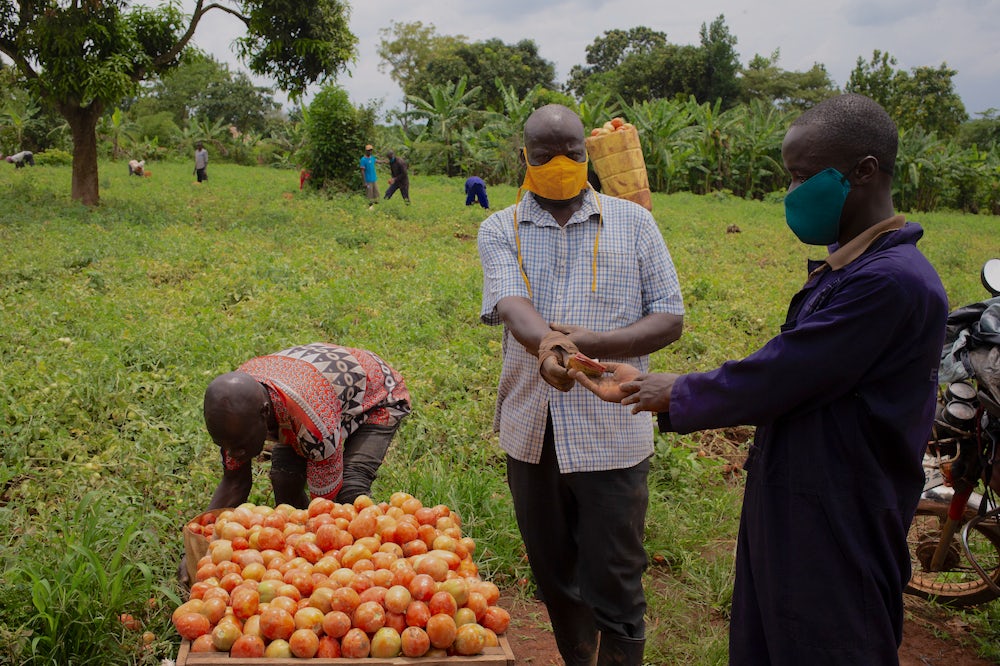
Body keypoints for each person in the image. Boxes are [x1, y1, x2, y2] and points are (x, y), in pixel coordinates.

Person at [571, 93, 949, 665]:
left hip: (840, 513)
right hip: (801, 496)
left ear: (864, 172)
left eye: (801, 177)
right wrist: (659, 388)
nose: (792, 194)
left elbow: (788, 370)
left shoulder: (891, 281)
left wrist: (671, 390)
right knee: (771, 638)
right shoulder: (854, 268)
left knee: (828, 644)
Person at [477, 103, 685, 665]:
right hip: (532, 431)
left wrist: (596, 344)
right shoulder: (501, 227)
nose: (560, 163)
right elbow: (511, 303)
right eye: (545, 155)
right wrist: (549, 347)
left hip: (613, 431)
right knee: (553, 571)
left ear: (587, 152)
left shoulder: (635, 222)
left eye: (572, 151)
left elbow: (669, 317)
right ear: (525, 158)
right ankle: (578, 657)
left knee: (616, 575)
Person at [201, 343, 411, 514]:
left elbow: (327, 509)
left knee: (349, 493)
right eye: (225, 445)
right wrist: (197, 544)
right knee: (285, 479)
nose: (234, 453)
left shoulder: (314, 424)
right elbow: (235, 483)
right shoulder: (235, 414)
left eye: (239, 444)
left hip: (379, 396)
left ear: (264, 413)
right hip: (323, 391)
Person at [359, 144, 378, 209]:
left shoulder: (372, 158)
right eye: (368, 150)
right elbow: (362, 171)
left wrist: (385, 161)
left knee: (376, 193)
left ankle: (375, 206)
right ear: (366, 151)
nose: (370, 151)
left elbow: (377, 161)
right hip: (368, 180)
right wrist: (364, 182)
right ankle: (369, 207)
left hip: (374, 179)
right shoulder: (363, 159)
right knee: (369, 194)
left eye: (371, 150)